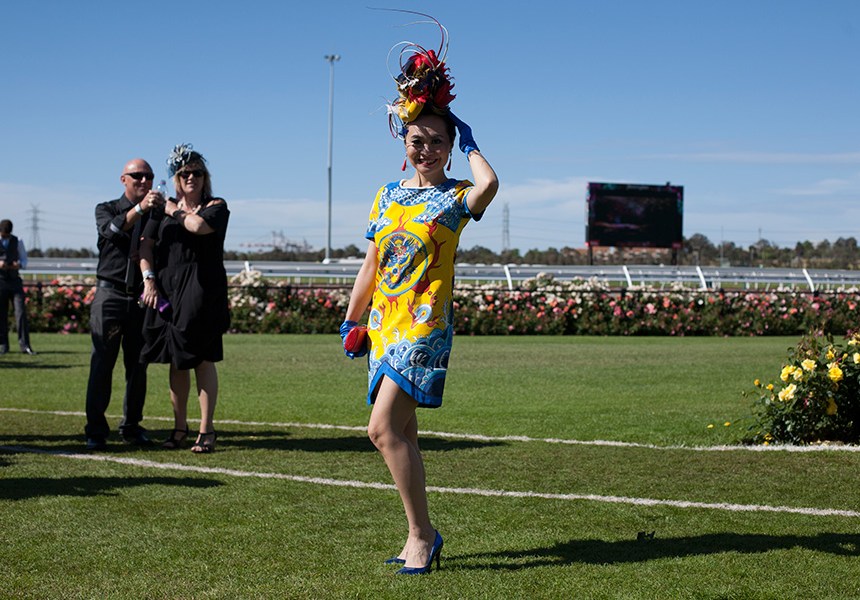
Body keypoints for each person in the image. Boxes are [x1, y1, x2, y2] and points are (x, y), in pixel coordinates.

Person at [341, 15, 499, 575]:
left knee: (382, 430)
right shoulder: (386, 195)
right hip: (385, 324)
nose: (425, 148)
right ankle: (419, 536)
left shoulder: (458, 198)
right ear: (403, 142)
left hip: (424, 328)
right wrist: (351, 317)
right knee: (402, 432)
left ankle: (422, 535)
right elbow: (374, 261)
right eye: (417, 139)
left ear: (450, 148)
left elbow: (490, 186)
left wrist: (471, 136)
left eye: (437, 141)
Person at [139, 144, 230, 454]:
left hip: (202, 290)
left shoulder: (216, 206)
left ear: (205, 178)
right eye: (184, 173)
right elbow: (145, 247)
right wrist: (149, 279)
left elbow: (197, 226)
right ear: (176, 179)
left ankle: (207, 431)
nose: (191, 178)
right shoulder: (162, 208)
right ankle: (179, 427)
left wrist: (171, 209)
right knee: (176, 362)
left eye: (197, 173)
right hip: (168, 291)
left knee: (202, 359)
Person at [84, 159, 164, 451]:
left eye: (149, 176)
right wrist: (140, 209)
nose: (144, 181)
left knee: (138, 365)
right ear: (123, 179)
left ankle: (132, 426)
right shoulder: (106, 208)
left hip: (140, 297)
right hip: (110, 295)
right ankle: (95, 430)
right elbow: (112, 232)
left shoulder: (156, 212)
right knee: (102, 363)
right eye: (138, 176)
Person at [0, 220, 36, 355]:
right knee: (1, 314)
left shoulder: (18, 241)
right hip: (1, 281)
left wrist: (18, 265)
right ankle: (3, 345)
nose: (5, 238)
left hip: (15, 280)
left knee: (20, 313)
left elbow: (24, 259)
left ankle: (25, 345)